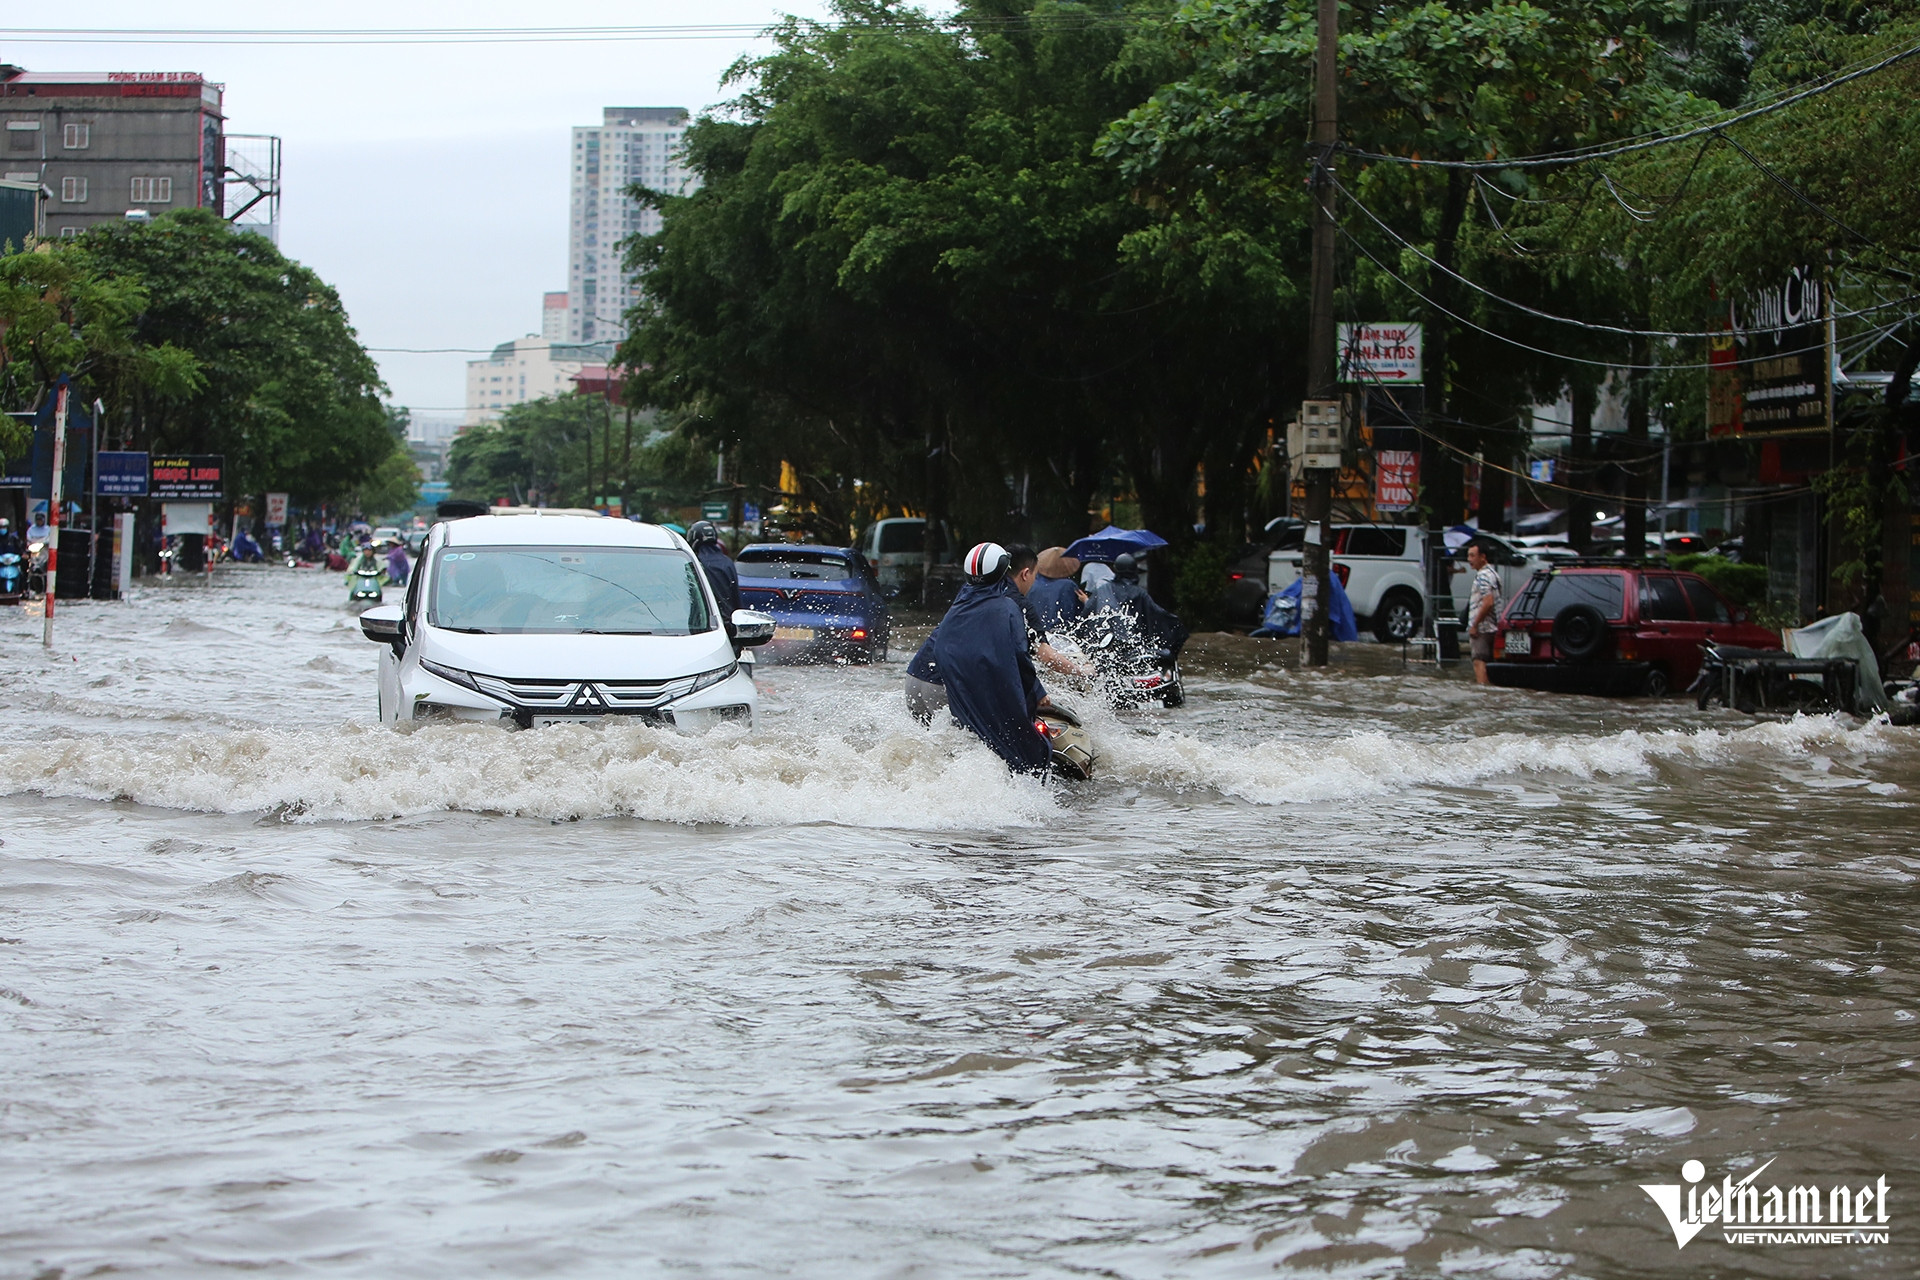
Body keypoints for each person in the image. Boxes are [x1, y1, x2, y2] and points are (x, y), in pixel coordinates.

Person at [927, 542, 1054, 772]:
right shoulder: (1007, 608)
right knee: (1031, 753)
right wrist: (1036, 692)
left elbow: (944, 649)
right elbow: (1020, 658)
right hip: (995, 699)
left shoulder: (957, 607)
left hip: (959, 698)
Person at [1092, 552, 1189, 660]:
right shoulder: (1140, 593)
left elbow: (1088, 614)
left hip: (1110, 648)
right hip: (1136, 647)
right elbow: (1157, 615)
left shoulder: (1104, 590)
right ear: (1135, 571)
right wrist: (1177, 626)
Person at [687, 520, 741, 619]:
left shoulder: (697, 563)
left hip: (708, 622)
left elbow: (694, 600)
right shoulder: (727, 561)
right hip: (729, 620)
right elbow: (735, 595)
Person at [1465, 541, 1502, 685]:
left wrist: (1475, 624)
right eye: (1468, 555)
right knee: (1490, 666)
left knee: (1479, 663)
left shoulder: (1483, 576)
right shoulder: (1493, 573)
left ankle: (1484, 695)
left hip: (1482, 628)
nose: (1469, 559)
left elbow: (1488, 601)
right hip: (1493, 626)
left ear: (1483, 557)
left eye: (1472, 556)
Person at [1028, 547, 1087, 631]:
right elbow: (1079, 612)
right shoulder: (1069, 585)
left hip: (1035, 632)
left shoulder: (1031, 584)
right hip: (1060, 633)